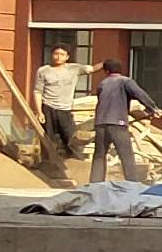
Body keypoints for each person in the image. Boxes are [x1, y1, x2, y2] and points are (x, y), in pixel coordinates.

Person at [89, 51, 154, 183]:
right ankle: (132, 183)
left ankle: (95, 184)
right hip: (118, 124)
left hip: (101, 123)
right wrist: (153, 108)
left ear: (106, 71)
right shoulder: (125, 81)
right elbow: (139, 94)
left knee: (99, 156)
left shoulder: (103, 83)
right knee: (126, 155)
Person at [35, 41, 87, 171]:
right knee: (48, 139)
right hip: (48, 108)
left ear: (67, 57)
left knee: (71, 138)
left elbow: (91, 69)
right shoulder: (43, 71)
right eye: (56, 54)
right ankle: (48, 166)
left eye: (62, 54)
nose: (58, 57)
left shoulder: (74, 69)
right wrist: (39, 112)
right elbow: (37, 92)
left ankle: (75, 165)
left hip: (65, 110)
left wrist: (106, 64)